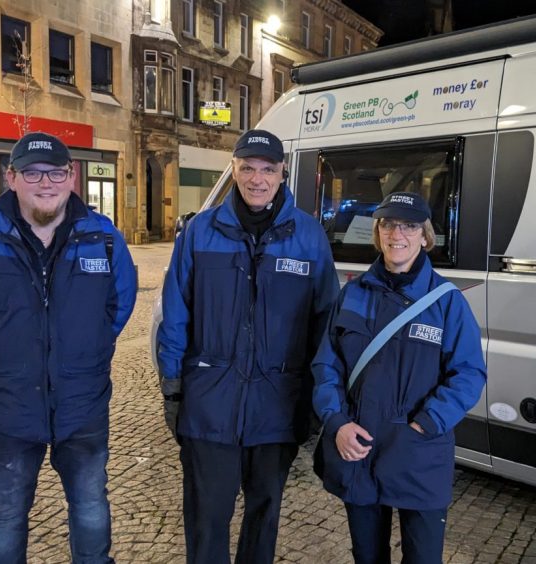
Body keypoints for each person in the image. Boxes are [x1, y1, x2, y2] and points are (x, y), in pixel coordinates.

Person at [0, 131, 137, 564]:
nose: (45, 183)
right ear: (11, 178)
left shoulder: (102, 237)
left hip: (82, 404)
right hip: (9, 408)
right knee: (6, 514)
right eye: (32, 173)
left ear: (72, 177)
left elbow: (120, 303)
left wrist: (89, 347)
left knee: (89, 505)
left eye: (56, 173)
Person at [157, 129, 339, 564]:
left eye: (268, 169)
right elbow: (175, 312)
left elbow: (326, 324)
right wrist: (173, 386)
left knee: (264, 514)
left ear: (282, 174)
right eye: (248, 168)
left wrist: (317, 395)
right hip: (209, 404)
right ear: (235, 170)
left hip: (278, 404)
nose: (257, 178)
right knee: (206, 519)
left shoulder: (309, 237)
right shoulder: (201, 232)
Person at [312, 191, 486, 564]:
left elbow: (469, 373)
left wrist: (427, 423)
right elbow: (327, 366)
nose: (397, 235)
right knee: (367, 556)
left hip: (418, 452)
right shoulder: (353, 294)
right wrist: (337, 423)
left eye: (409, 226)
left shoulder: (446, 301)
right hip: (359, 449)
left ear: (424, 236)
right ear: (378, 232)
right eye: (388, 224)